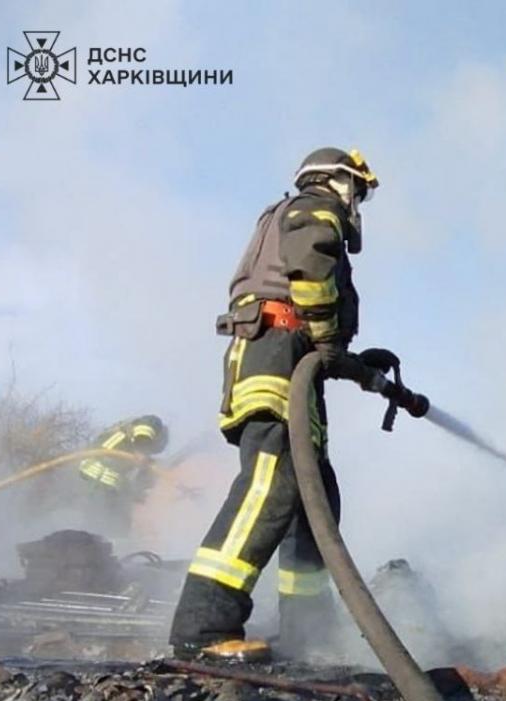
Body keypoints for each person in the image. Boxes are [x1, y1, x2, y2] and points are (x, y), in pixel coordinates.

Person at [168, 147, 397, 661]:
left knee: (314, 497)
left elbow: (313, 317)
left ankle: (309, 634)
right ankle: (202, 628)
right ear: (339, 181)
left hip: (291, 356)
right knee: (272, 483)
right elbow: (312, 267)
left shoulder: (292, 212)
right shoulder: (316, 206)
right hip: (273, 353)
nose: (357, 202)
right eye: (357, 190)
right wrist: (326, 339)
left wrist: (345, 357)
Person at [77, 415, 168, 535]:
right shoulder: (153, 424)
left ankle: (111, 541)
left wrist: (139, 492)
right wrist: (141, 451)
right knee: (102, 519)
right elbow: (144, 429)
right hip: (99, 471)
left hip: (105, 477)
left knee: (116, 520)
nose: (151, 452)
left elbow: (138, 476)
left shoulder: (132, 448)